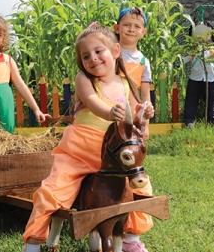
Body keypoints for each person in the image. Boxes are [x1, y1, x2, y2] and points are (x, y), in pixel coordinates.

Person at [21, 23, 155, 252]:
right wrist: (109, 112)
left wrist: (144, 114)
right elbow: (93, 103)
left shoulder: (125, 83)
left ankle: (131, 240)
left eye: (98, 51)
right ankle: (33, 243)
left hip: (114, 155)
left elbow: (134, 117)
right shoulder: (84, 79)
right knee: (53, 190)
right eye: (85, 56)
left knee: (140, 189)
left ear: (115, 51)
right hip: (80, 151)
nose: (92, 59)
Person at [0, 14, 50, 133]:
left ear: (3, 40)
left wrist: (36, 109)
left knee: (5, 134)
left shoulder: (8, 60)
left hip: (5, 105)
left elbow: (21, 85)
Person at [182, 23, 214, 128]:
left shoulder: (213, 51)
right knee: (192, 101)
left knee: (212, 102)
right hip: (195, 79)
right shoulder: (193, 50)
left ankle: (212, 123)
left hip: (211, 80)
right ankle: (189, 122)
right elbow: (181, 60)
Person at [114, 6, 151, 104]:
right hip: (108, 111)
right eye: (127, 25)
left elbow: (145, 95)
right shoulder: (110, 53)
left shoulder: (143, 62)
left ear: (143, 32)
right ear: (117, 28)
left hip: (132, 112)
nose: (131, 29)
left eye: (137, 26)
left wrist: (145, 115)